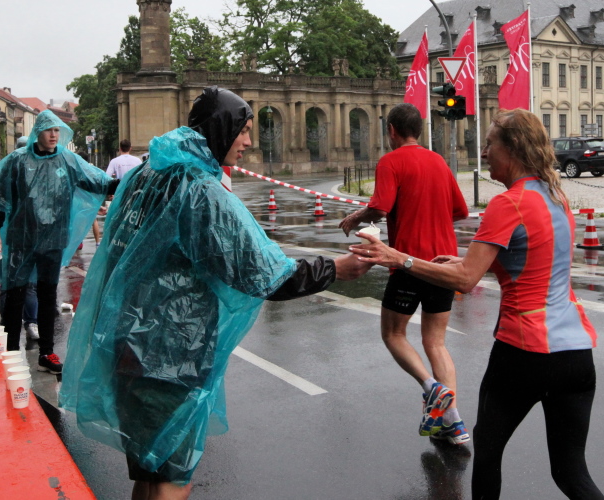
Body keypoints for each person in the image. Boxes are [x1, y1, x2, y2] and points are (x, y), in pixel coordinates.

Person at [59, 86, 371, 500]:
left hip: (124, 342)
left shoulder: (146, 174)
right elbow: (263, 274)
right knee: (172, 479)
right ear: (221, 129)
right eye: (243, 130)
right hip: (167, 355)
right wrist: (335, 269)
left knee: (149, 467)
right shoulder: (198, 190)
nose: (248, 142)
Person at [352, 109, 603, 500]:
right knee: (571, 474)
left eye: (489, 144)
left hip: (525, 351)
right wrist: (461, 261)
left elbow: (466, 281)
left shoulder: (508, 203)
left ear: (512, 148)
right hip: (576, 354)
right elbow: (530, 260)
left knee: (486, 451)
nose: (483, 153)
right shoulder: (557, 197)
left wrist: (399, 258)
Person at [339, 103, 469, 444]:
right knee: (436, 342)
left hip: (408, 262)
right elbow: (460, 211)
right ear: (420, 130)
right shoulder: (438, 161)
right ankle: (453, 422)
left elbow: (380, 208)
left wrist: (356, 217)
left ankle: (431, 388)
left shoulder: (391, 161)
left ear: (392, 130)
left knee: (393, 333)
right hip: (443, 264)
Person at [0, 110, 117, 374]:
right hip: (21, 239)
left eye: (57, 130)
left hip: (53, 239)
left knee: (48, 296)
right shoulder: (17, 160)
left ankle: (46, 353)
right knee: (14, 296)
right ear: (38, 132)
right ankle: (11, 352)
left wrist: (135, 180)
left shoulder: (68, 160)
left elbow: (100, 183)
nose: (53, 135)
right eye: (49, 130)